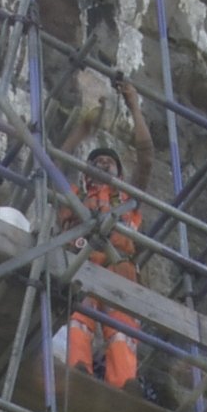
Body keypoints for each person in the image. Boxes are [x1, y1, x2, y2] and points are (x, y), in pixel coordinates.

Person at [66, 139, 144, 390]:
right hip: (81, 261)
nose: (103, 163)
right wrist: (79, 130)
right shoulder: (74, 194)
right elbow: (56, 162)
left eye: (109, 162)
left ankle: (124, 382)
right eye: (97, 161)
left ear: (119, 173)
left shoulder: (128, 199)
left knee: (122, 328)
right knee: (77, 317)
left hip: (118, 268)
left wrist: (133, 104)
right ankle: (77, 368)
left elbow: (148, 158)